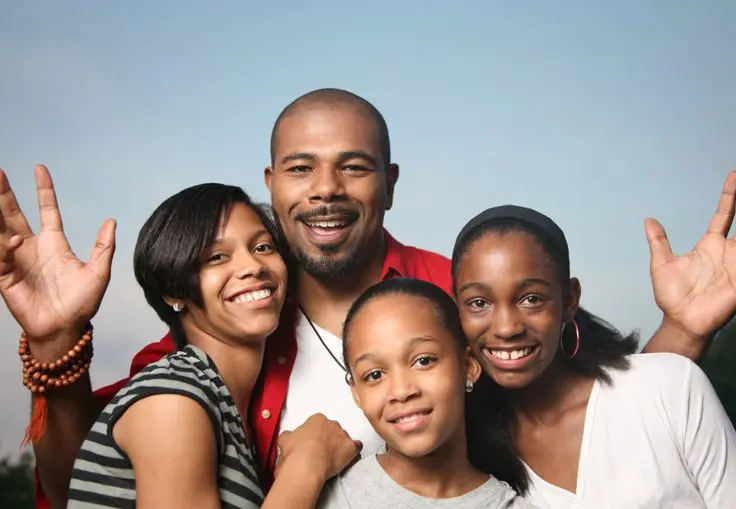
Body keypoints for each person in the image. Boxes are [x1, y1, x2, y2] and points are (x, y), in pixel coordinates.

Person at [0, 90, 732, 507]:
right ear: (273, 182)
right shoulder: (227, 329)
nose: (326, 188)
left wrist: (682, 335)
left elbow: (577, 409)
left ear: (389, 182)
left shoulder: (456, 294)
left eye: (354, 166)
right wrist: (60, 340)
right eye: (300, 168)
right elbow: (82, 487)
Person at [62, 182, 360, 508]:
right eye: (217, 257)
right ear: (173, 292)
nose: (253, 266)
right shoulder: (174, 398)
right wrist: (307, 466)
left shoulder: (218, 403)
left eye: (262, 247)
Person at [451, 201, 736, 508]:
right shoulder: (465, 455)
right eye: (478, 303)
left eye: (531, 299)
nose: (506, 328)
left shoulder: (673, 385)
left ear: (569, 300)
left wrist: (685, 329)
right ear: (457, 311)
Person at [317, 277, 537, 509]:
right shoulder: (322, 496)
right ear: (356, 394)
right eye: (374, 375)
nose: (401, 391)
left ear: (468, 367)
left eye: (423, 361)